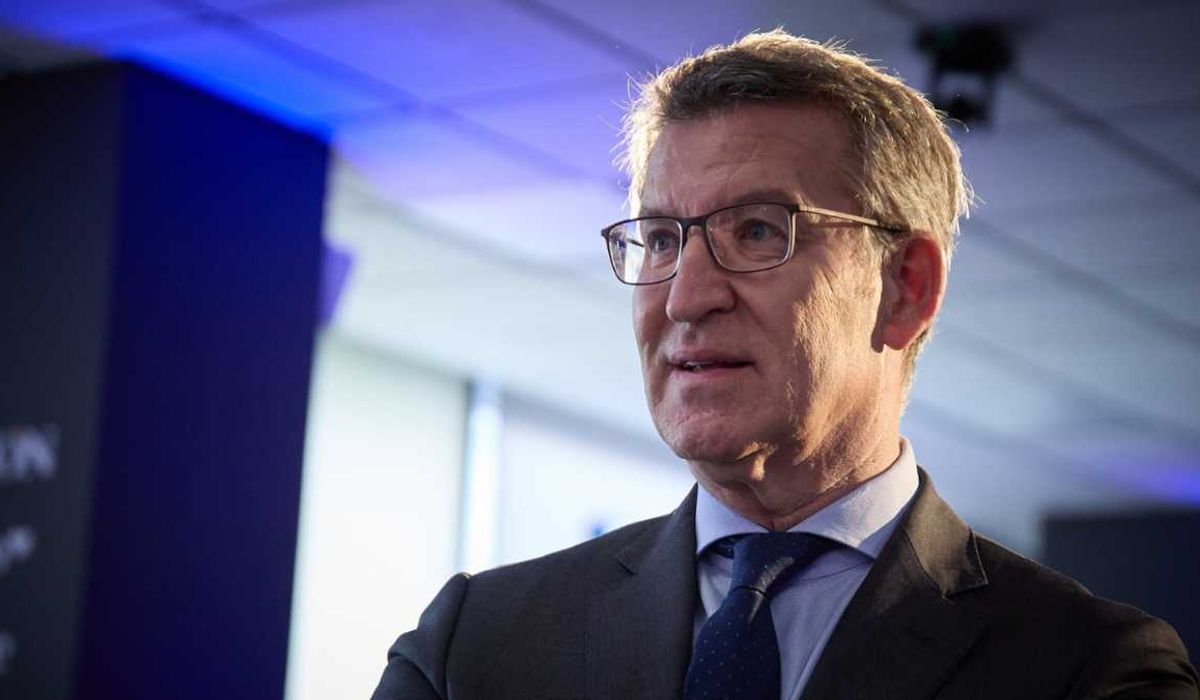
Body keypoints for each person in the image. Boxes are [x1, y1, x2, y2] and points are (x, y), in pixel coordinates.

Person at [371, 30, 1198, 699]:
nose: (686, 297)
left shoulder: (1089, 670)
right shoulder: (473, 646)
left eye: (759, 231)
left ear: (905, 288)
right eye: (660, 239)